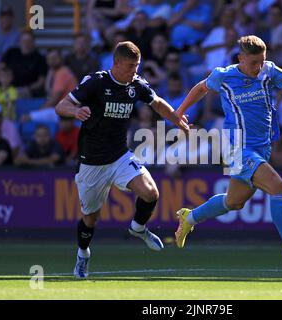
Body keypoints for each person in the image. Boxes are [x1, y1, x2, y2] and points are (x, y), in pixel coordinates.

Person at [174, 35, 282, 273]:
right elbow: (201, 88)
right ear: (240, 58)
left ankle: (189, 217)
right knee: (277, 186)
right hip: (237, 148)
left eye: (261, 61)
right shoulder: (224, 75)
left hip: (262, 147)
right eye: (253, 62)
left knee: (234, 201)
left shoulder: (268, 71)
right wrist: (180, 111)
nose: (258, 67)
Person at [55, 41, 190, 278]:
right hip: (92, 163)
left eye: (136, 66)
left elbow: (157, 103)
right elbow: (60, 106)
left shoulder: (136, 84)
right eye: (130, 66)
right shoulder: (96, 82)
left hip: (119, 156)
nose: (134, 72)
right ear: (116, 63)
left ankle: (138, 228)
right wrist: (75, 111)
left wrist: (176, 118)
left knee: (151, 193)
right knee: (90, 219)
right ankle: (83, 254)